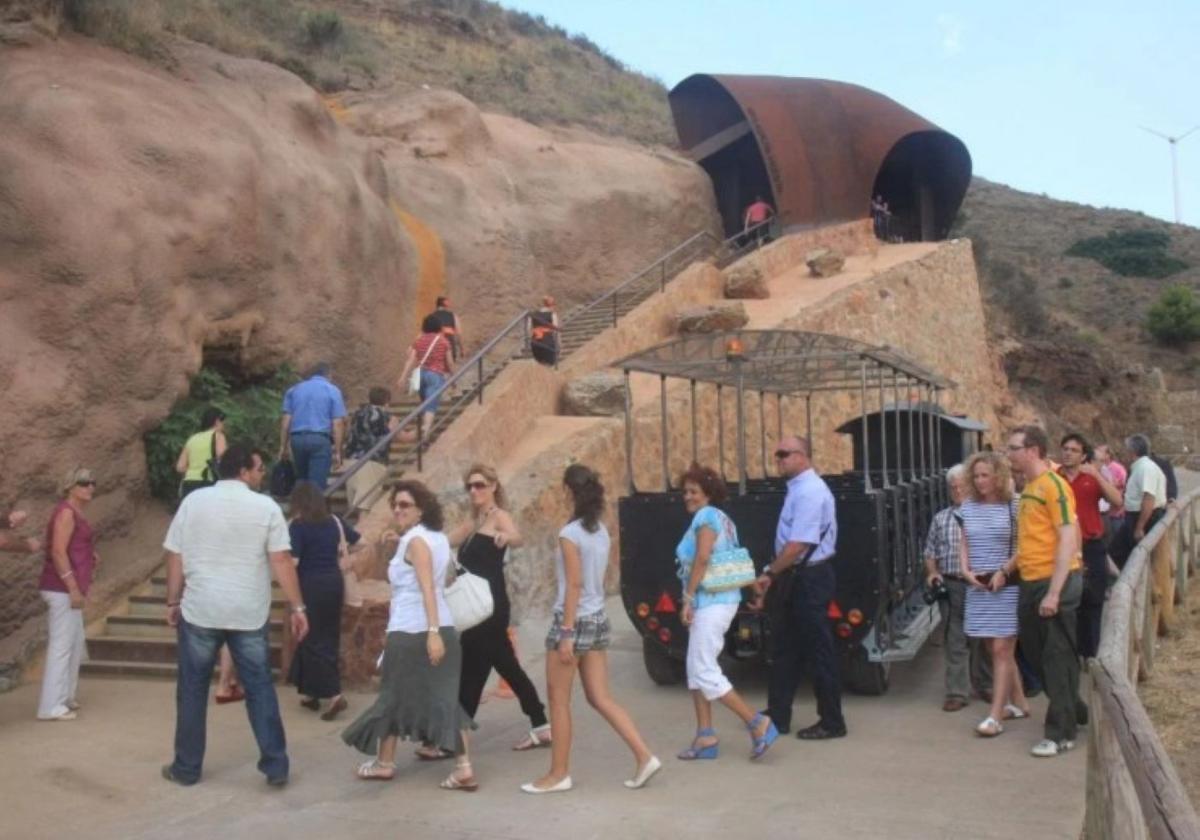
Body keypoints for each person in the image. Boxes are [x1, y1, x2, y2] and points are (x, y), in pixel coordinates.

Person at [161, 444, 309, 786]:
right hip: (247, 613)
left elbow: (175, 556)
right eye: (258, 469)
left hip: (200, 610)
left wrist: (172, 601)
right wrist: (298, 607)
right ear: (243, 470)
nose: (262, 475)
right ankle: (275, 766)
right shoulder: (266, 507)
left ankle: (186, 768)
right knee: (260, 690)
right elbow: (281, 560)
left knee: (192, 691)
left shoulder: (193, 503)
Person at [522, 464, 660, 794]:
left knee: (558, 701)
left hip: (573, 622)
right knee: (601, 697)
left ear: (569, 492)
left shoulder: (569, 535)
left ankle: (558, 774)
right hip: (597, 619)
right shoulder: (599, 530)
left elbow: (574, 584)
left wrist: (566, 633)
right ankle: (644, 755)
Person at [342, 481, 477, 791]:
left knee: (392, 695)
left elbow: (427, 584)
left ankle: (384, 763)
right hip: (439, 625)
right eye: (395, 505)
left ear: (420, 509)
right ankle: (462, 767)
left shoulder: (415, 542)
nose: (398, 510)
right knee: (442, 699)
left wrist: (431, 634)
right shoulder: (435, 539)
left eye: (405, 505)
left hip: (413, 629)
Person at [436, 464, 550, 755]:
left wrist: (505, 538)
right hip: (476, 609)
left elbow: (517, 536)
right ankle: (538, 723)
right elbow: (443, 543)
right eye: (470, 486)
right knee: (485, 668)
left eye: (480, 485)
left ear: (493, 486)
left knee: (486, 668)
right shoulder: (473, 522)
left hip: (489, 606)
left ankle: (455, 737)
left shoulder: (499, 517)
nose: (474, 490)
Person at [674, 463, 778, 761]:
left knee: (705, 669)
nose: (687, 497)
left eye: (693, 491)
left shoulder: (706, 517)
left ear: (708, 493)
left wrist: (688, 597)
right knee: (696, 669)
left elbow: (703, 558)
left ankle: (757, 723)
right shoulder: (724, 519)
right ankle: (705, 736)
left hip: (711, 601)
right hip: (719, 600)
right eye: (685, 492)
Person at [754, 435, 845, 740]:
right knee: (785, 647)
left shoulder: (809, 492)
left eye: (785, 454)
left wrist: (770, 572)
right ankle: (779, 713)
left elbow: (796, 546)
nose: (778, 459)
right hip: (799, 575)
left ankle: (832, 721)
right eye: (777, 454)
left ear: (803, 456)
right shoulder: (799, 489)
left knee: (818, 652)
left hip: (808, 577)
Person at [1003, 425, 1085, 758]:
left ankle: (1059, 733)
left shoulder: (1054, 486)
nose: (1008, 455)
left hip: (1055, 582)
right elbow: (1030, 541)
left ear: (1032, 450)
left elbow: (1068, 535)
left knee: (1055, 657)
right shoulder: (1030, 488)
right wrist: (1006, 570)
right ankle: (1074, 708)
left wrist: (1055, 591)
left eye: (1013, 448)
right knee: (1038, 655)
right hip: (1031, 580)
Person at [957, 452, 1029, 737]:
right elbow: (964, 542)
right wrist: (964, 570)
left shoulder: (1015, 504)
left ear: (998, 476)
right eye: (976, 475)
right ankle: (1020, 703)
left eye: (986, 475)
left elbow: (1025, 545)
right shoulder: (968, 506)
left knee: (1001, 649)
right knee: (994, 647)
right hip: (978, 584)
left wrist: (1003, 570)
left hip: (1006, 583)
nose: (980, 480)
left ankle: (995, 716)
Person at [287, 481, 359, 721]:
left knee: (312, 638)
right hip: (333, 583)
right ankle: (311, 693)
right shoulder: (334, 522)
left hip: (310, 586)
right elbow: (361, 541)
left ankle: (334, 694)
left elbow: (294, 562)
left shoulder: (298, 526)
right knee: (327, 635)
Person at [923, 464, 991, 712]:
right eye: (953, 487)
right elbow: (930, 551)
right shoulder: (940, 518)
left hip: (981, 584)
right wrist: (932, 572)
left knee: (983, 638)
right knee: (955, 638)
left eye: (961, 485)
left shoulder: (985, 514)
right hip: (952, 584)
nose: (957, 490)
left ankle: (985, 685)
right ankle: (957, 692)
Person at [36, 468, 99, 721]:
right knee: (62, 645)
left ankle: (64, 697)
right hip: (61, 588)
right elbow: (58, 552)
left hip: (69, 588)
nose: (90, 487)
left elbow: (73, 546)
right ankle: (50, 705)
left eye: (92, 482)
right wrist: (72, 587)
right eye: (84, 483)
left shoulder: (75, 512)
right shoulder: (66, 512)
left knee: (74, 644)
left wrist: (90, 555)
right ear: (70, 486)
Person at [1057, 434, 1123, 659]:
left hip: (1091, 545)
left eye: (1073, 450)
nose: (1067, 453)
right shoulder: (1055, 479)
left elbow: (1117, 501)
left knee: (1093, 601)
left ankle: (1091, 654)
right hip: (1063, 548)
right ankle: (1071, 654)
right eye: (1065, 448)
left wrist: (1096, 474)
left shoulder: (1092, 477)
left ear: (1083, 455)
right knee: (1067, 602)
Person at [278, 363, 347, 490]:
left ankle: (299, 507)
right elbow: (337, 423)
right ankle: (314, 508)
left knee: (301, 479)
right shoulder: (332, 390)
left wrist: (283, 446)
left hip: (297, 439)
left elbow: (286, 420)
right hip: (319, 439)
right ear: (328, 375)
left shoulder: (294, 390)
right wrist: (338, 451)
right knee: (317, 484)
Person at [1109, 434, 1168, 569]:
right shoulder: (1142, 467)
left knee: (1125, 556)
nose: (1123, 454)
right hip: (1136, 517)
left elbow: (1149, 498)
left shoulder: (1145, 468)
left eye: (1125, 450)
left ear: (1132, 452)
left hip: (1142, 518)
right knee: (1119, 553)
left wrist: (1139, 527)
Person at [397, 315, 455, 439]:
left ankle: (423, 431)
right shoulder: (443, 341)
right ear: (439, 326)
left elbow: (411, 359)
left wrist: (403, 376)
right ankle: (425, 431)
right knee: (431, 405)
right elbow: (449, 362)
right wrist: (453, 375)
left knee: (425, 403)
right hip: (435, 375)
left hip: (421, 374)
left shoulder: (420, 340)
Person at [343, 387, 397, 516]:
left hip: (351, 459)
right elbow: (395, 436)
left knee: (356, 502)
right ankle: (363, 534)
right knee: (366, 505)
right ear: (387, 401)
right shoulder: (385, 415)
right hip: (372, 460)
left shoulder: (358, 414)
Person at [175, 407, 228, 500]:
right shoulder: (218, 436)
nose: (224, 424)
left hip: (189, 484)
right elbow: (223, 457)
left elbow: (180, 467)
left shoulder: (192, 439)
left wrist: (194, 471)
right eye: (222, 421)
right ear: (216, 421)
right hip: (207, 483)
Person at [1093, 443, 1127, 547]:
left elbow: (1125, 487)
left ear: (1108, 455)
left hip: (1115, 513)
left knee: (1114, 543)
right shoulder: (1093, 469)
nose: (1099, 454)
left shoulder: (1117, 469)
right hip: (1099, 513)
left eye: (1102, 451)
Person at [529, 296, 560, 367]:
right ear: (552, 305)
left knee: (539, 365)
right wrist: (558, 344)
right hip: (547, 341)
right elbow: (555, 330)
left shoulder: (534, 314)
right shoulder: (552, 314)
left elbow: (529, 329)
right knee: (549, 365)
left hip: (535, 341)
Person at [430, 296, 463, 361]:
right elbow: (459, 333)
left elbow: (427, 333)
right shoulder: (453, 316)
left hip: (435, 349)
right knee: (449, 368)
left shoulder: (431, 316)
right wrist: (462, 349)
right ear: (445, 303)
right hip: (449, 348)